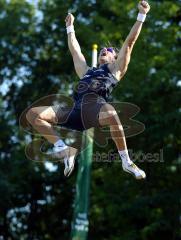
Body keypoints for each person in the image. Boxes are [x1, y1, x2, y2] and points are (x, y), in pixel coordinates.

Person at [26, 1, 150, 178]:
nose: (103, 51)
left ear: (115, 58)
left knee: (113, 114)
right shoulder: (87, 72)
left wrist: (142, 16)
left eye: (107, 50)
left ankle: (126, 161)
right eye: (102, 49)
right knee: (33, 115)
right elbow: (76, 52)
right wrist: (70, 28)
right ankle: (64, 149)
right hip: (75, 111)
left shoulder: (115, 69)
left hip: (96, 109)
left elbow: (129, 43)